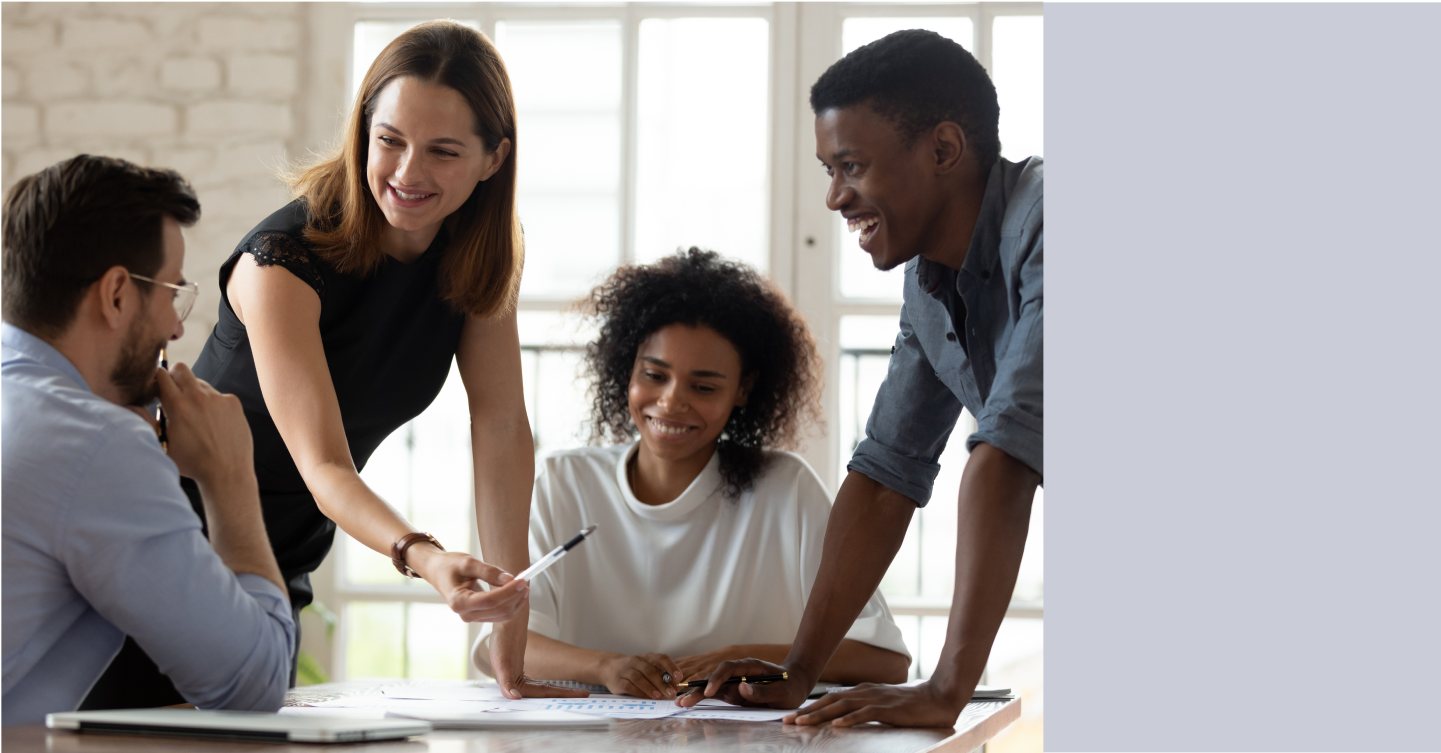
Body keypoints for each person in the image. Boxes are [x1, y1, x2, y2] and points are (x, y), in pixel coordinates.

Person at [81, 20, 577, 708]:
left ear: (493, 159)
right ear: (362, 130)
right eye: (390, 140)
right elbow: (325, 468)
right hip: (169, 544)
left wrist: (509, 652)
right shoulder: (280, 260)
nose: (408, 173)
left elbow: (500, 431)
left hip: (278, 562)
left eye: (442, 151)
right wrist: (426, 556)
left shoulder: (477, 256)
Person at [681, 30, 1043, 727]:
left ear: (942, 149)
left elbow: (1004, 456)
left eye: (850, 166)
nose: (833, 199)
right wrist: (797, 671)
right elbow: (883, 477)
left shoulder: (1049, 217)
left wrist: (946, 688)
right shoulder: (929, 281)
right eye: (827, 169)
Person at [473, 249, 912, 699]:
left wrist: (742, 656)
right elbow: (501, 648)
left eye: (703, 387)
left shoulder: (787, 489)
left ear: (743, 389)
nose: (671, 402)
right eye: (654, 375)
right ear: (627, 369)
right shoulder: (563, 484)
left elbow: (886, 659)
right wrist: (607, 667)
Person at [1, 155, 295, 726]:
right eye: (171, 293)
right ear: (116, 294)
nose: (178, 328)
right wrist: (230, 476)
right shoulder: (94, 444)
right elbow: (253, 682)